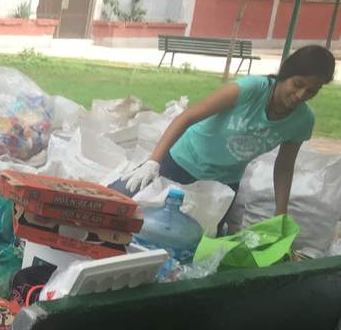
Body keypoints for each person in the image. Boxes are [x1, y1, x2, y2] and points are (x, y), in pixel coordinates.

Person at [117, 45, 335, 216]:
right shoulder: (250, 89)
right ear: (285, 74)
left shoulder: (302, 120)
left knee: (196, 241)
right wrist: (154, 162)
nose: (301, 95)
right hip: (181, 163)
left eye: (312, 91)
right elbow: (187, 117)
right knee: (126, 210)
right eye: (297, 84)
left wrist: (281, 212)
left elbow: (285, 165)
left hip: (222, 185)